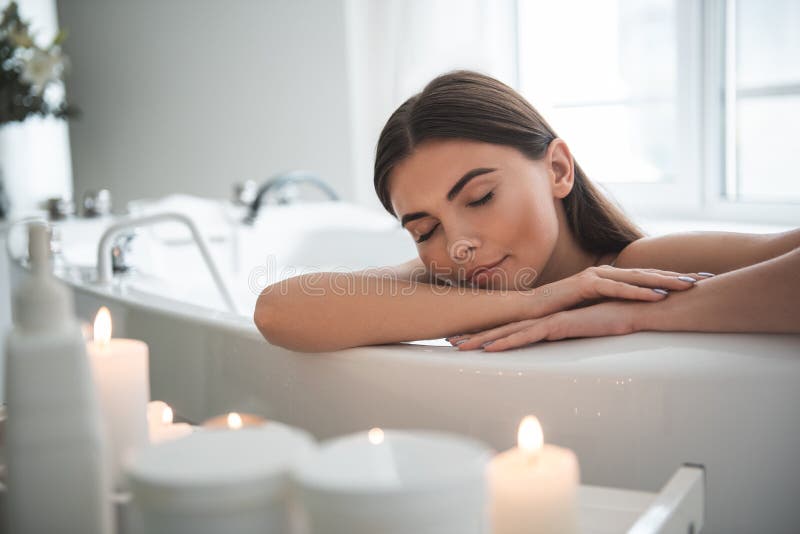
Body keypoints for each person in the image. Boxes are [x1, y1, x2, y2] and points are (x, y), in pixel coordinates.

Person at [254, 70, 800, 352]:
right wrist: (535, 301)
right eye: (425, 230)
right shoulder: (457, 278)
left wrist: (635, 313)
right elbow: (280, 311)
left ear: (558, 170)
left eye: (480, 198)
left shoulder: (636, 262)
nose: (457, 244)